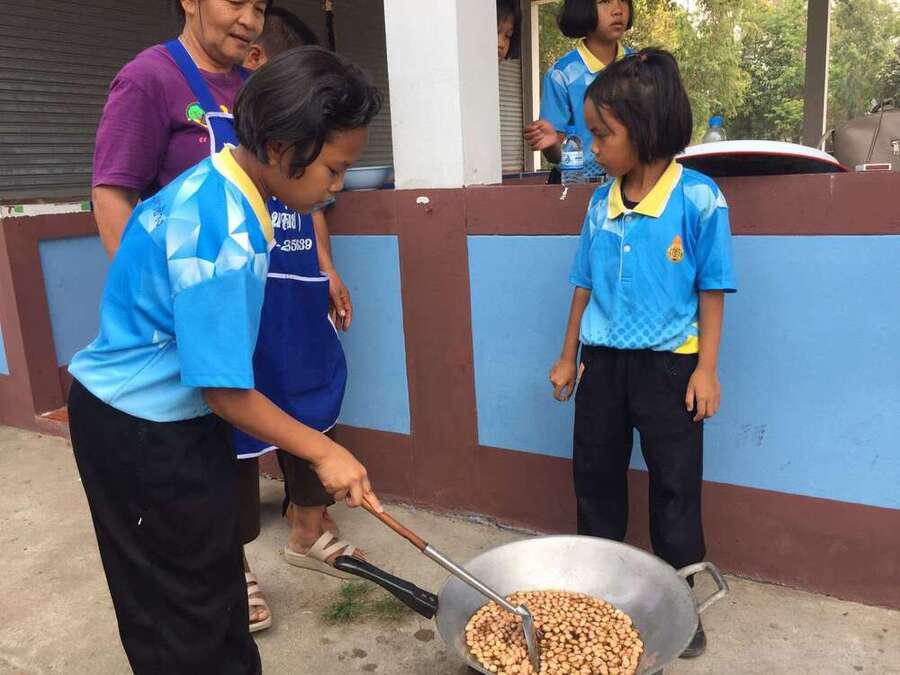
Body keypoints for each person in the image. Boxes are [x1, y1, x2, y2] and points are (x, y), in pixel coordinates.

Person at [68, 46, 383, 673]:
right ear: (283, 147)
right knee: (180, 614)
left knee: (209, 591)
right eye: (334, 169)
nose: (336, 187)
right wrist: (324, 452)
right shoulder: (224, 230)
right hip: (139, 431)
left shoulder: (221, 181)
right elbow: (223, 389)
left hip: (169, 419)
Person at [90, 0, 276, 632]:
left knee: (232, 426)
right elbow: (113, 194)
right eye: (235, 1)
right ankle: (229, 564)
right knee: (200, 422)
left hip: (236, 288)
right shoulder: (149, 79)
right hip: (178, 309)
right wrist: (152, 304)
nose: (249, 18)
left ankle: (225, 551)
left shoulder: (251, 88)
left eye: (260, 6)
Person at [548, 49, 737, 659]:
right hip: (602, 366)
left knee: (676, 488)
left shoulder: (699, 198)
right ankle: (598, 596)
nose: (593, 147)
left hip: (671, 370)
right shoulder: (599, 202)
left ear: (645, 127)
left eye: (603, 134)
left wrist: (707, 369)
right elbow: (583, 283)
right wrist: (568, 355)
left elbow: (712, 288)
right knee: (595, 480)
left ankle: (681, 602)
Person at [238, 7, 363, 580]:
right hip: (246, 304)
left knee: (310, 394)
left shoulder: (302, 162)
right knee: (233, 411)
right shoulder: (227, 185)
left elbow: (313, 204)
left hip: (298, 297)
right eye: (333, 170)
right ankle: (232, 562)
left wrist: (326, 267)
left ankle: (308, 527)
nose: (335, 185)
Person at [524, 0, 635, 183]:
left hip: (629, 184)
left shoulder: (640, 68)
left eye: (623, 0)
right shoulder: (561, 75)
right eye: (604, 1)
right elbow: (555, 154)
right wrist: (551, 144)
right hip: (575, 185)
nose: (618, 10)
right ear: (582, 7)